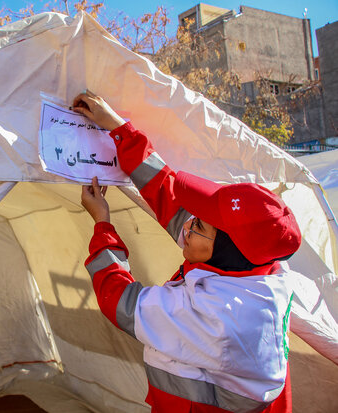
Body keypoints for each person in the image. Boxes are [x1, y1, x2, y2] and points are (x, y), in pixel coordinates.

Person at [73, 90, 301, 412]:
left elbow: (122, 302)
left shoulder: (219, 316)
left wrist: (102, 224)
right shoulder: (257, 267)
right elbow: (169, 196)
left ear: (223, 249)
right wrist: (118, 128)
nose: (188, 226)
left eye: (200, 226)